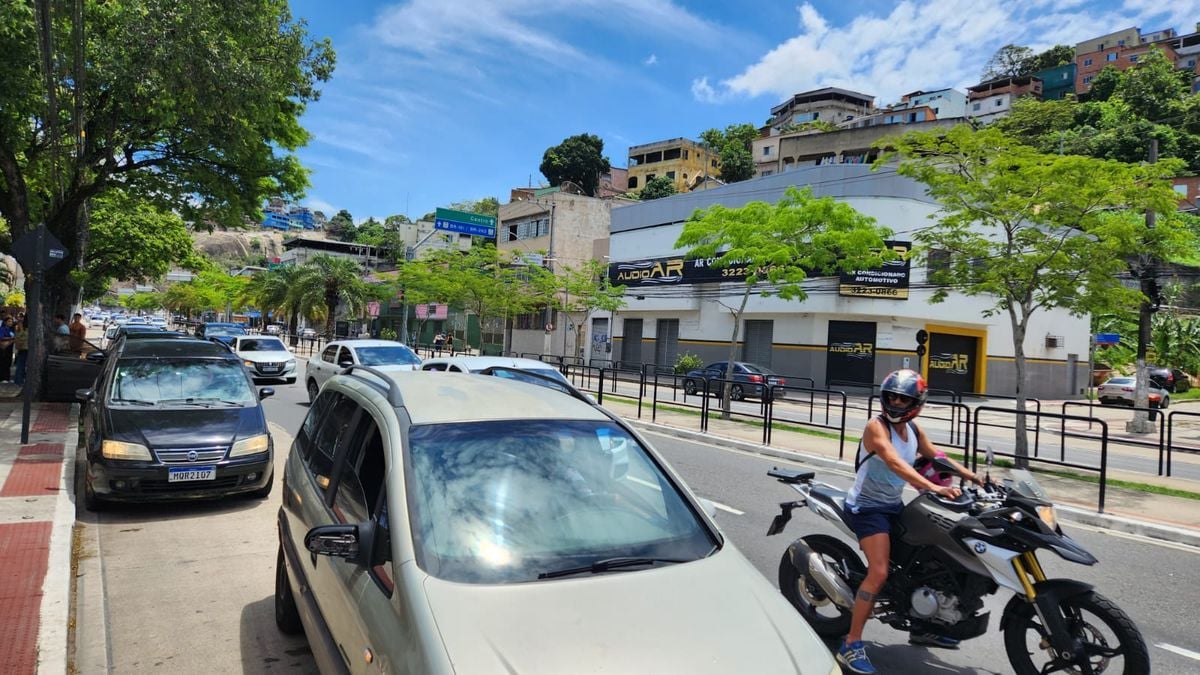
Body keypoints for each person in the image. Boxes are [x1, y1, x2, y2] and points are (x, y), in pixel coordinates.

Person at [837, 369, 983, 675]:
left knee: (930, 558)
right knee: (878, 572)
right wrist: (935, 487)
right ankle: (851, 644)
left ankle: (923, 626)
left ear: (916, 402)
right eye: (891, 397)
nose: (895, 403)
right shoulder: (875, 427)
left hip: (892, 505)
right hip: (867, 508)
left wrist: (971, 476)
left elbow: (935, 457)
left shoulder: (914, 429)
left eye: (903, 399)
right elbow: (893, 461)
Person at [13, 315, 28, 386]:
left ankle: (18, 380)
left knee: (20, 364)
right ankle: (19, 381)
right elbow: (21, 336)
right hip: (24, 347)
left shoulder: (19, 325)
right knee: (21, 365)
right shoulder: (21, 326)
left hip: (21, 347)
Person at [0, 317, 13, 383]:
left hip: (9, 349)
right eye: (9, 321)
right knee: (3, 363)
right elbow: (1, 337)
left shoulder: (10, 329)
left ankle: (7, 378)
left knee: (8, 363)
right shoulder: (2, 329)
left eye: (11, 321)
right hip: (4, 349)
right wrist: (10, 338)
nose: (11, 323)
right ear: (5, 322)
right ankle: (2, 378)